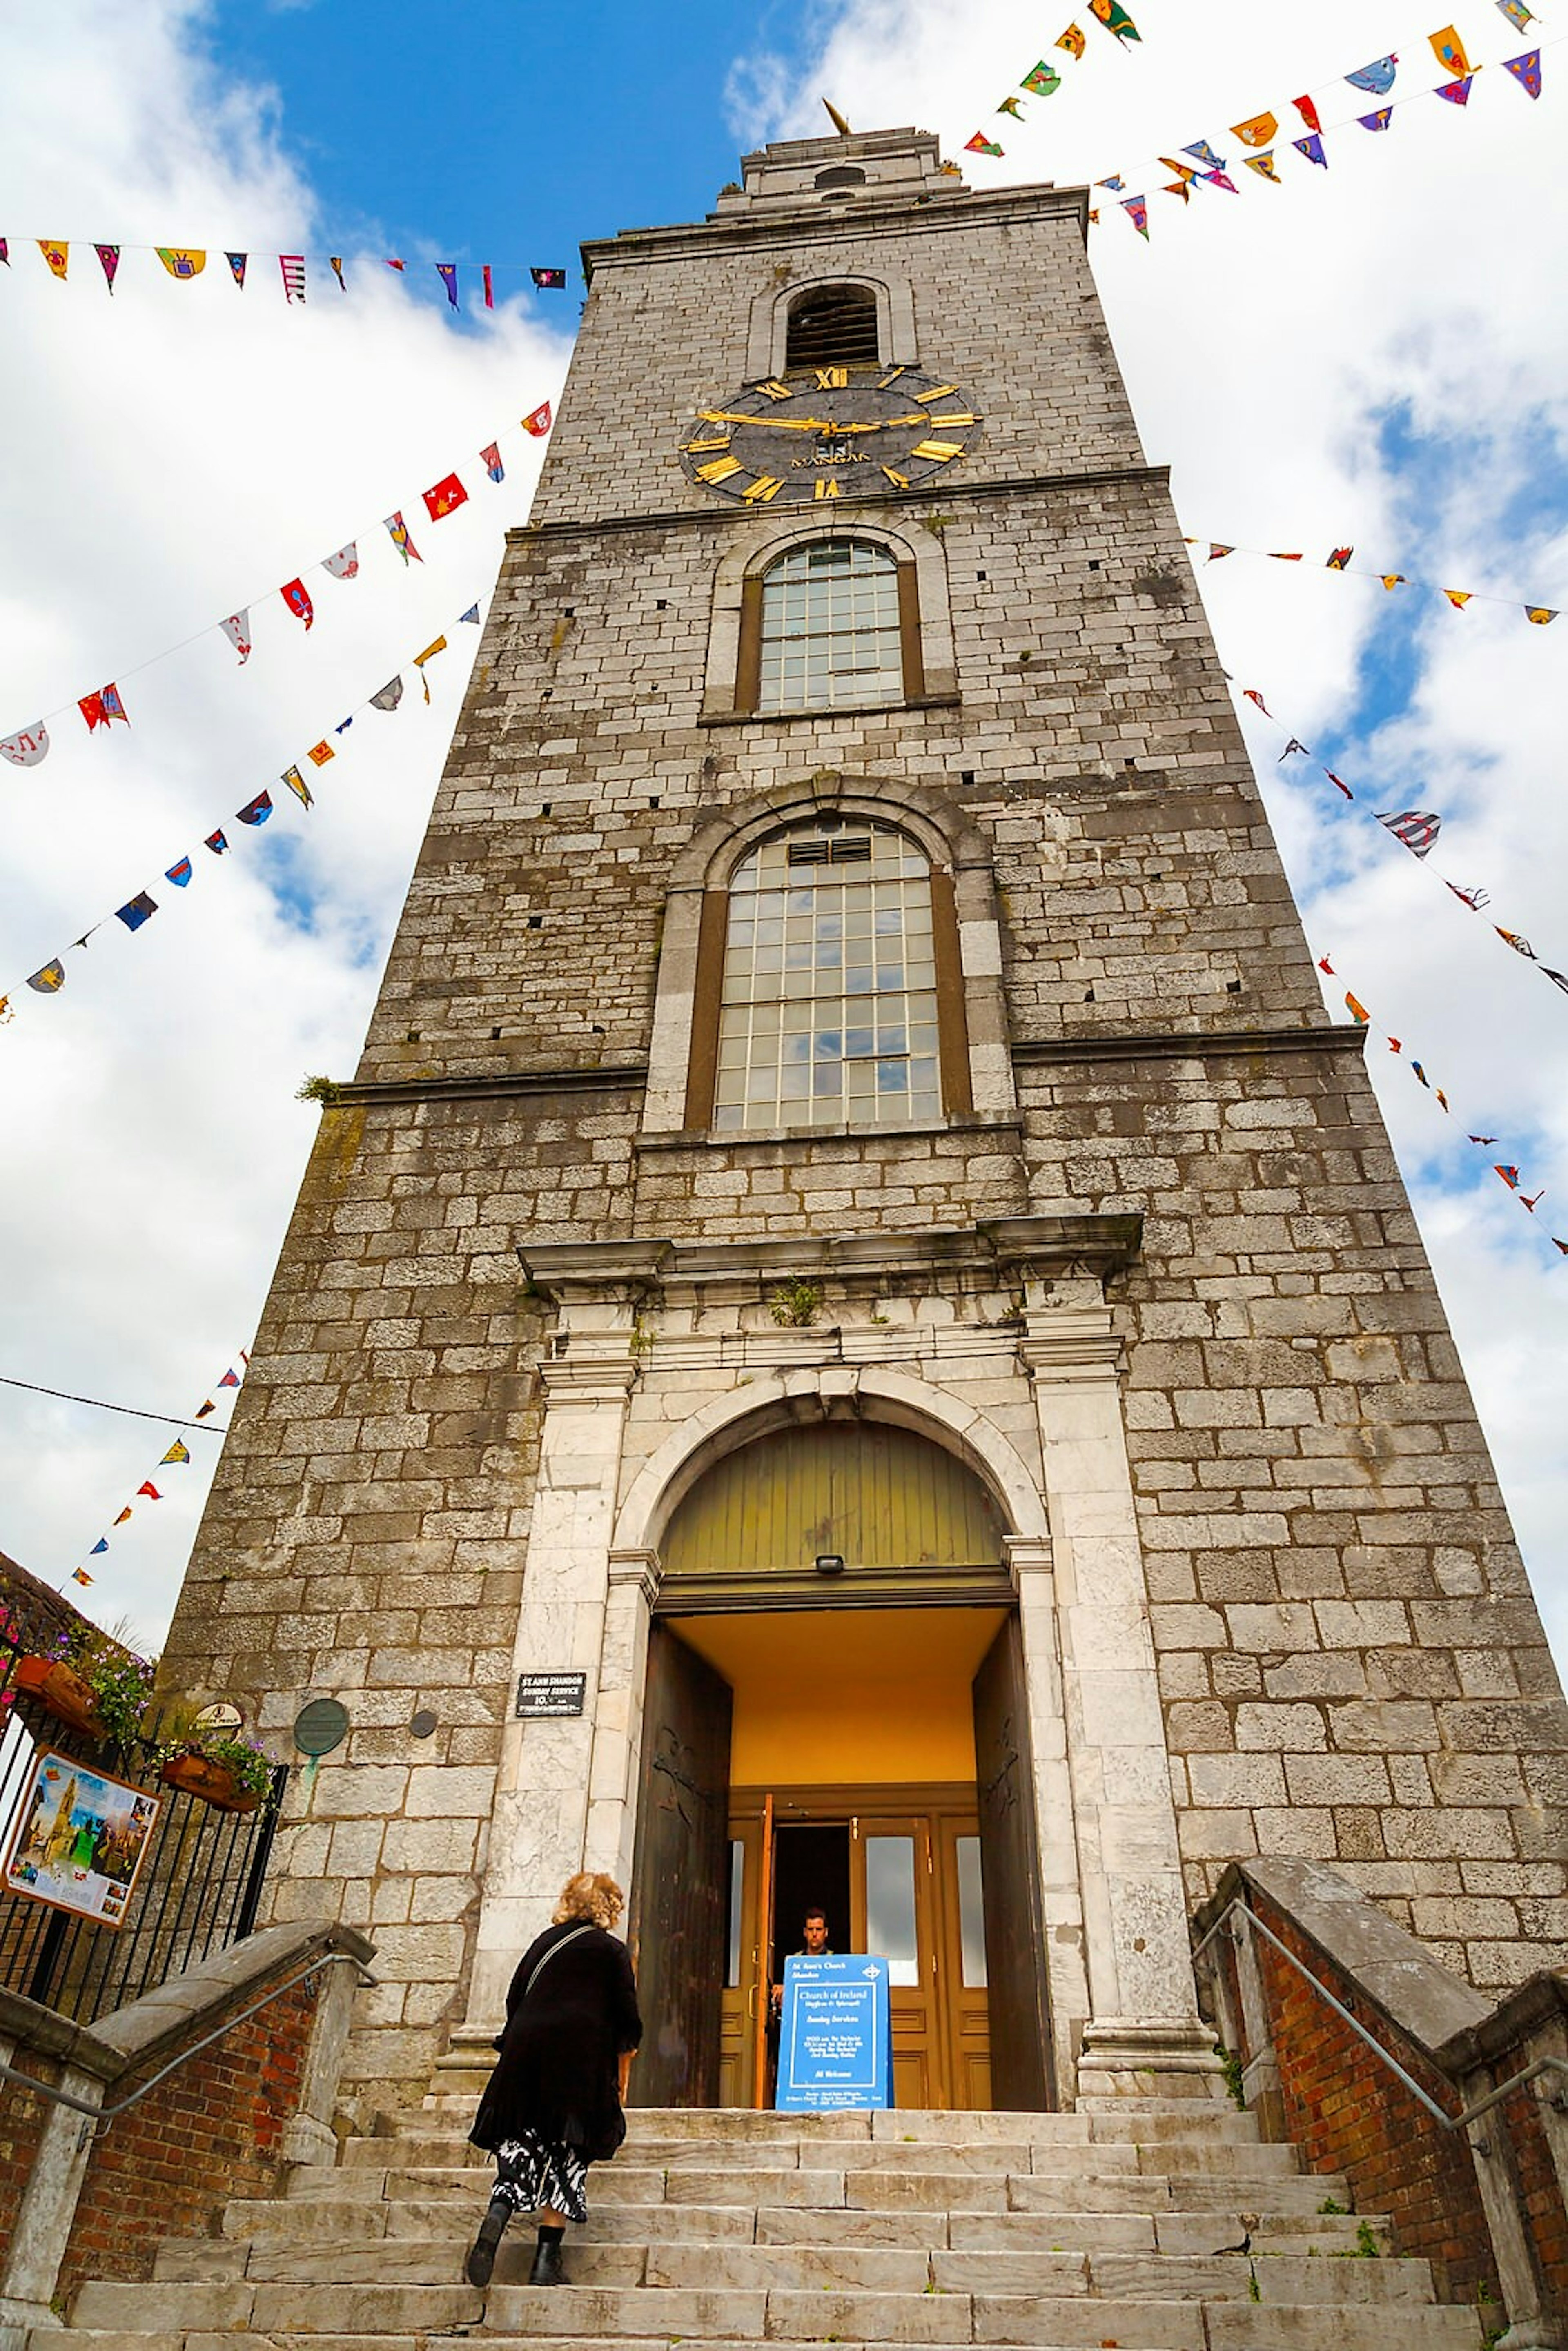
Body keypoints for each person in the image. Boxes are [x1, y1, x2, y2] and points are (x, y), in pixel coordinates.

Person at [464, 1869, 642, 2289]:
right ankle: (546, 2259)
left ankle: (498, 2211)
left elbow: (515, 1996)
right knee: (568, 2151)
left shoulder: (544, 1942)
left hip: (527, 2051)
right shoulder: (611, 1951)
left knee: (522, 2139)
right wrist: (627, 2046)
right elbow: (627, 2012)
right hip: (580, 2057)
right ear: (607, 1908)